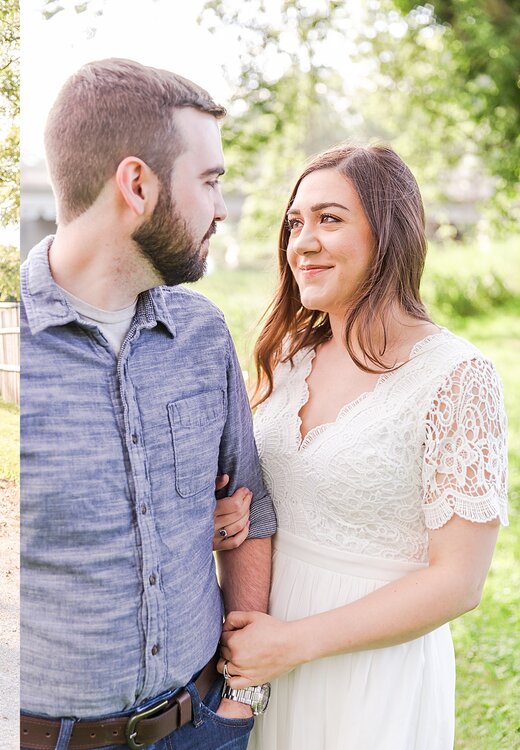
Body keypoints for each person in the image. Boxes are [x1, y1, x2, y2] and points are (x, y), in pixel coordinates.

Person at [20, 58, 277, 750]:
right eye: (211, 181)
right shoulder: (9, 349)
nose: (222, 208)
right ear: (137, 184)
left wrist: (241, 700)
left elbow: (252, 510)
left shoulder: (203, 333)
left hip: (202, 727)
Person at [217, 145, 509, 749]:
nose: (302, 242)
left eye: (330, 219)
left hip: (370, 671)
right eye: (295, 223)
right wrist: (226, 518)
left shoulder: (456, 376)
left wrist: (293, 644)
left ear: (390, 232)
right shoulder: (286, 359)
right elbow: (262, 493)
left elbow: (459, 581)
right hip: (261, 655)